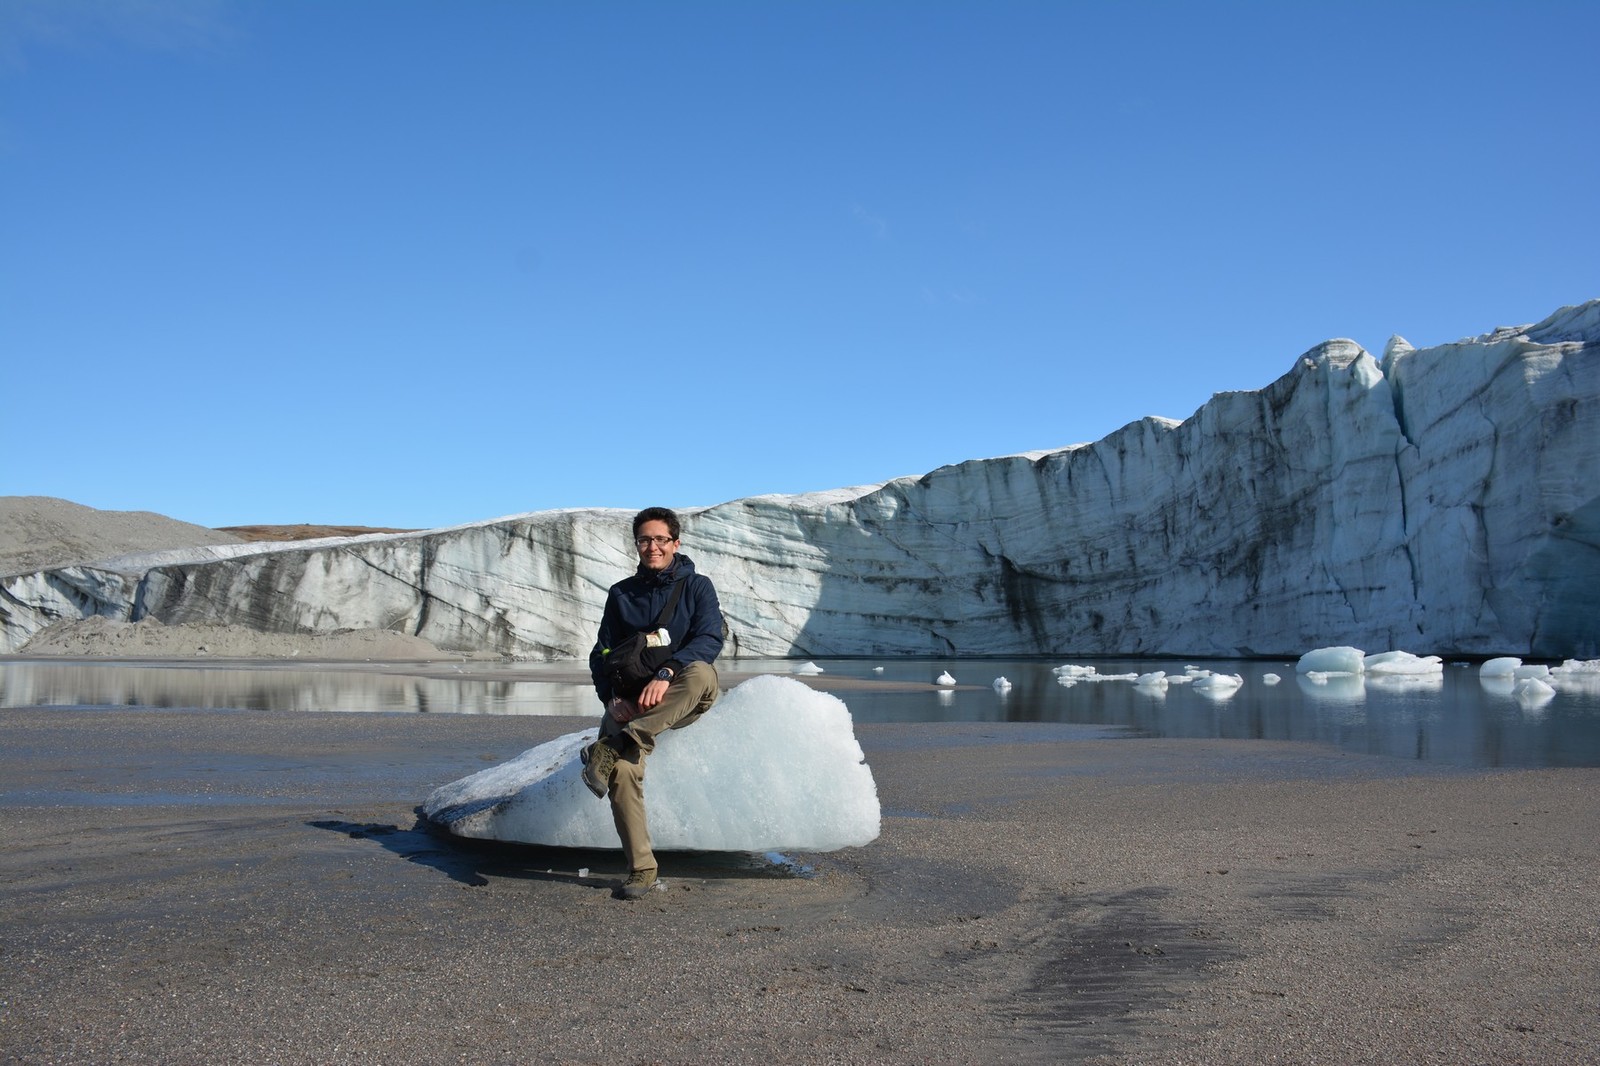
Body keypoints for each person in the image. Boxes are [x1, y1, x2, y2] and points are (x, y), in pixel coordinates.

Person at [584, 506, 724, 900]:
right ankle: (641, 869)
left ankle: (615, 743)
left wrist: (667, 673)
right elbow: (602, 654)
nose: (653, 547)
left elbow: (710, 639)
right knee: (623, 774)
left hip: (683, 692)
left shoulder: (698, 587)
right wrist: (612, 699)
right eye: (645, 539)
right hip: (632, 700)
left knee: (699, 672)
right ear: (637, 545)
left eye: (661, 539)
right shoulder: (621, 594)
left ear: (675, 543)